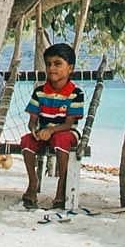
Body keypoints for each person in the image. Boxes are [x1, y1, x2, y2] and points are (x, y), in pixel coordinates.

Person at [15, 41, 89, 213]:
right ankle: (33, 183)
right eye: (48, 64)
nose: (51, 68)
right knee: (26, 141)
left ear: (70, 68)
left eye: (57, 64)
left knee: (60, 139)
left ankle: (61, 186)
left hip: (66, 132)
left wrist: (50, 130)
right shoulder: (40, 91)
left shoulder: (75, 93)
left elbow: (69, 123)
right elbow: (33, 120)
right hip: (44, 132)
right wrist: (35, 130)